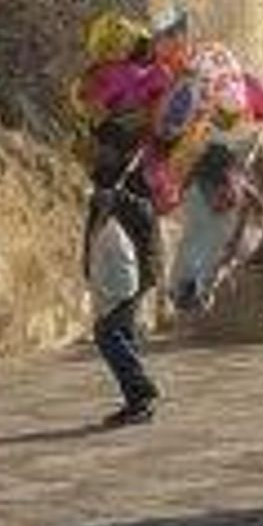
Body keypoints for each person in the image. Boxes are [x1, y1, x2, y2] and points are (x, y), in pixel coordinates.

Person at [85, 134, 161, 425]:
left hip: (133, 271)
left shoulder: (136, 179)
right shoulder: (102, 180)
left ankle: (143, 393)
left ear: (119, 152)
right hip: (110, 269)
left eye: (106, 147)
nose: (100, 152)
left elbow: (147, 214)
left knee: (107, 334)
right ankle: (137, 404)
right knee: (121, 336)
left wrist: (121, 198)